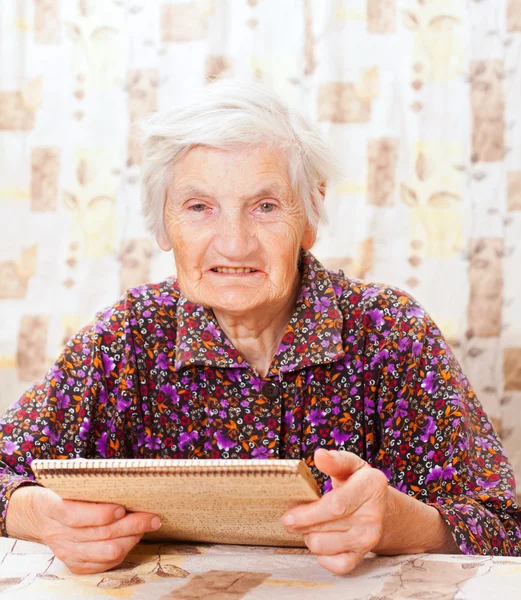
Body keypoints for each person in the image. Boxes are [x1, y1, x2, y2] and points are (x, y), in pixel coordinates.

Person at [1, 81, 520, 576]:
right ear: (164, 222)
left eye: (266, 206)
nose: (234, 243)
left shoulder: (390, 333)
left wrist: (403, 524)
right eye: (199, 207)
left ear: (310, 215)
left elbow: (505, 529)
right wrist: (36, 515)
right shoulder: (126, 339)